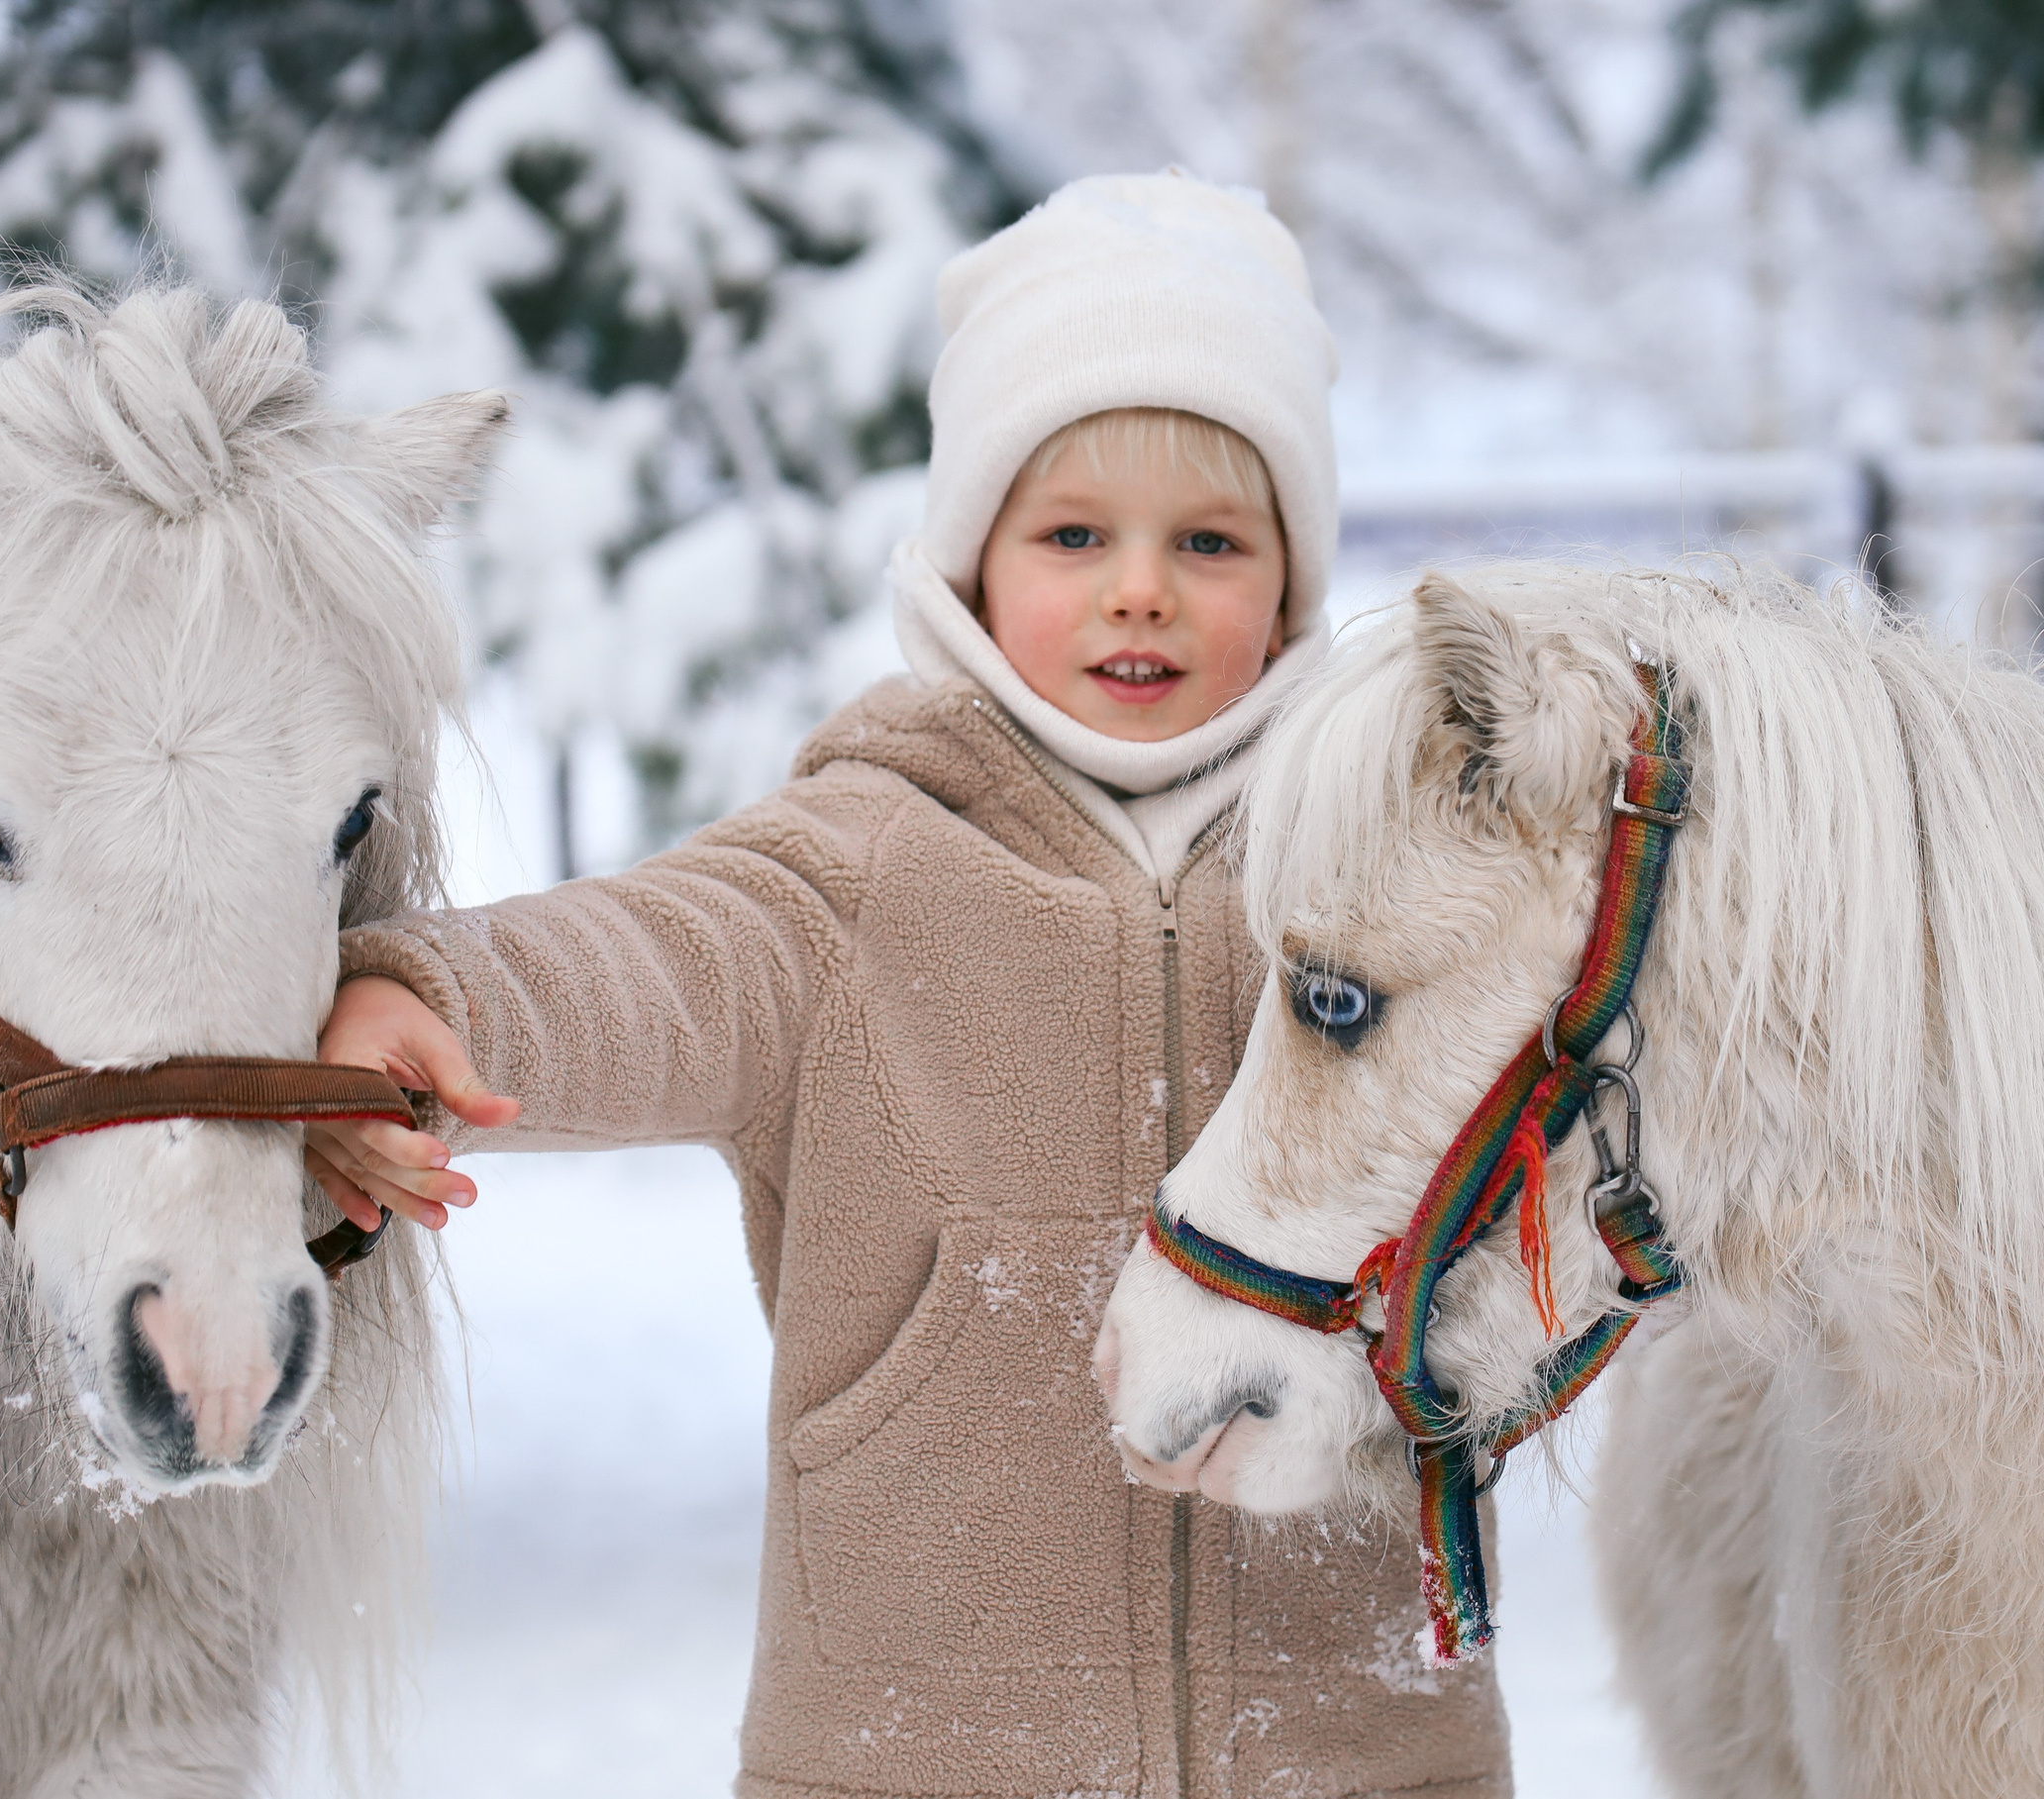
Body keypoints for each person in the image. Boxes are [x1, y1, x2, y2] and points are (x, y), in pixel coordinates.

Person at [308, 171, 1512, 1799]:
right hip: (917, 1744)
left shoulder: (1385, 871)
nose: (1138, 587)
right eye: (1073, 534)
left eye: (1208, 542)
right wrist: (435, 996)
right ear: (968, 559)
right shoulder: (861, 865)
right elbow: (649, 959)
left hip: (1355, 1744)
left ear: (1291, 582)